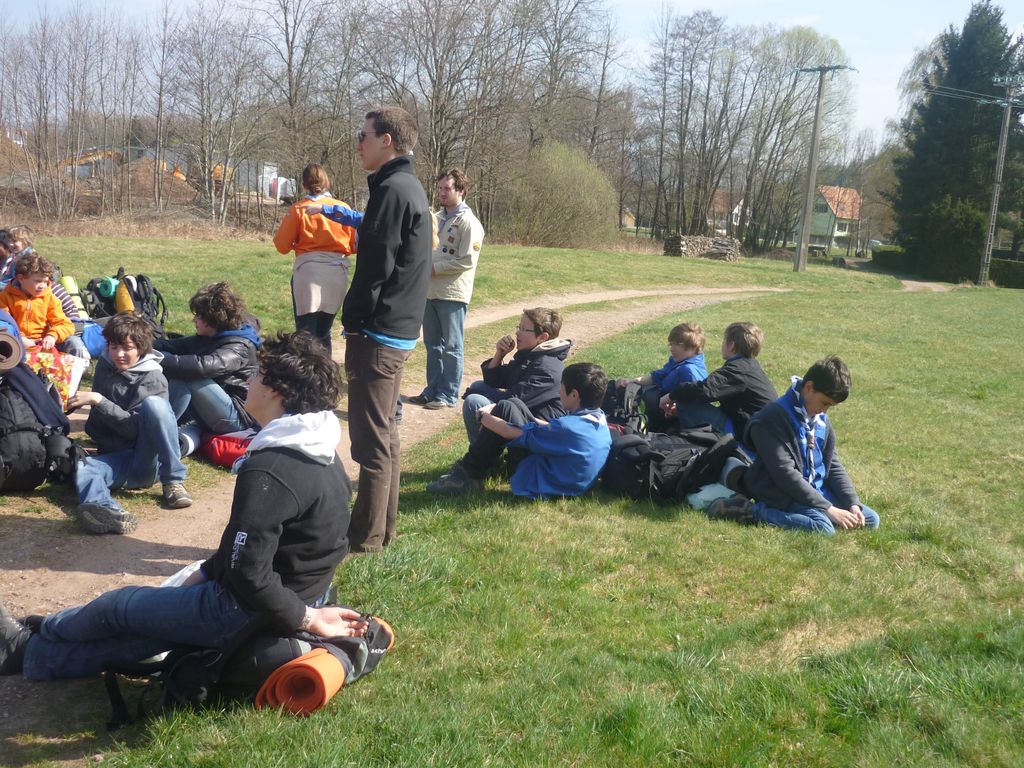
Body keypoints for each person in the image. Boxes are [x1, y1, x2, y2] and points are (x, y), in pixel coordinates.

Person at [0, 331, 365, 681]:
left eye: (257, 374)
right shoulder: (320, 446)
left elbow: (248, 572)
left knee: (120, 607)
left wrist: (306, 618)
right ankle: (30, 653)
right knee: (150, 635)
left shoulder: (271, 469)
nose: (248, 380)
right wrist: (205, 572)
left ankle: (40, 631)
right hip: (293, 594)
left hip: (253, 606)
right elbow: (260, 548)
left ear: (275, 391)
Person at [340, 106, 432, 553]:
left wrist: (354, 323)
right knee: (386, 437)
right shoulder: (406, 186)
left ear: (387, 140)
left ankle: (365, 540)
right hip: (397, 330)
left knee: (371, 444)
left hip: (378, 334)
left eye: (364, 135)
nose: (359, 144)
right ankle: (383, 532)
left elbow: (375, 270)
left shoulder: (393, 190)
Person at [710, 356, 881, 534]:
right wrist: (828, 508)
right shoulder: (771, 418)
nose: (825, 410)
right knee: (823, 528)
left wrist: (852, 503)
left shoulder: (819, 418)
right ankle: (751, 511)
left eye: (830, 406)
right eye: (825, 403)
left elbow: (833, 464)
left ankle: (821, 513)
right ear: (809, 388)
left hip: (817, 491)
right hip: (784, 493)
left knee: (870, 519)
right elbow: (784, 473)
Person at [68, 313, 191, 535]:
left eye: (127, 348)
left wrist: (99, 401)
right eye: (114, 347)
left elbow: (133, 429)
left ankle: (173, 480)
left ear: (140, 349)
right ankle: (107, 510)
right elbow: (98, 422)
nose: (119, 354)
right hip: (117, 457)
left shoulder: (152, 378)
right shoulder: (105, 364)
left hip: (145, 459)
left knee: (155, 405)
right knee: (84, 467)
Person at [427, 362, 612, 498]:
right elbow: (550, 429)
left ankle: (468, 475)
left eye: (561, 388)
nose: (559, 392)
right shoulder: (599, 421)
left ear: (574, 394)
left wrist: (483, 416)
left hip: (546, 484)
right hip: (572, 483)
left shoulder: (567, 428)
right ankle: (476, 468)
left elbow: (512, 432)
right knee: (515, 404)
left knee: (505, 407)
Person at [405, 168, 485, 410]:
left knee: (452, 346)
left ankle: (448, 394)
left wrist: (434, 268)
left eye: (447, 188)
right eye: (440, 188)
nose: (441, 192)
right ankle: (432, 390)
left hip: (452, 293)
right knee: (432, 345)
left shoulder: (469, 223)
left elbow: (467, 260)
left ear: (461, 191)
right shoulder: (436, 218)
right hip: (429, 292)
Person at [154, 282, 260, 445]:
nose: (193, 319)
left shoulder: (239, 346)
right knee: (171, 360)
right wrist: (141, 347)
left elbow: (203, 367)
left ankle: (157, 429)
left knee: (188, 375)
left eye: (198, 316)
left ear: (212, 318)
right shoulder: (214, 334)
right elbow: (175, 345)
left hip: (236, 417)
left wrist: (156, 360)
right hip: (215, 404)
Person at [273, 163, 359, 355]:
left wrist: (298, 243)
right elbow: (354, 245)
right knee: (324, 331)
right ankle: (325, 372)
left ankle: (306, 372)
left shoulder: (299, 209)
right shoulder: (343, 208)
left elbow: (281, 246)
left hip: (309, 274)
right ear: (327, 182)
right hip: (337, 274)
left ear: (304, 184)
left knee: (305, 335)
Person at [461, 307, 572, 443]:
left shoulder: (547, 368)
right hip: (523, 411)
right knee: (478, 386)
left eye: (524, 329)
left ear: (543, 337)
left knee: (474, 401)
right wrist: (499, 354)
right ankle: (486, 447)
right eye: (519, 327)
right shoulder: (533, 354)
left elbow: (511, 400)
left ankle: (481, 453)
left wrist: (474, 393)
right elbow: (495, 381)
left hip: (540, 430)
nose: (517, 332)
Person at [659, 321, 776, 439]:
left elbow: (704, 389)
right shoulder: (749, 366)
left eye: (724, 340)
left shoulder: (738, 370)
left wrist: (671, 396)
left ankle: (690, 444)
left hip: (745, 434)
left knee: (686, 400)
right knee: (687, 399)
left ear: (731, 345)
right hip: (756, 431)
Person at [614, 322, 707, 432]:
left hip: (675, 424)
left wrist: (675, 410)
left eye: (676, 345)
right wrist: (631, 381)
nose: (671, 348)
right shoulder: (678, 360)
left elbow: (694, 407)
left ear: (692, 347)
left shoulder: (690, 371)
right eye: (671, 344)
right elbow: (656, 377)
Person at [0, 251, 89, 360]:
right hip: (18, 343)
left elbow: (65, 324)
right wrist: (20, 338)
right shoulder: (5, 298)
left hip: (45, 343)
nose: (43, 286)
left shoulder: (49, 298)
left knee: (74, 342)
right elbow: (4, 325)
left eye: (45, 281)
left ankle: (74, 369)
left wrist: (52, 336)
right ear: (21, 278)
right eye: (38, 281)